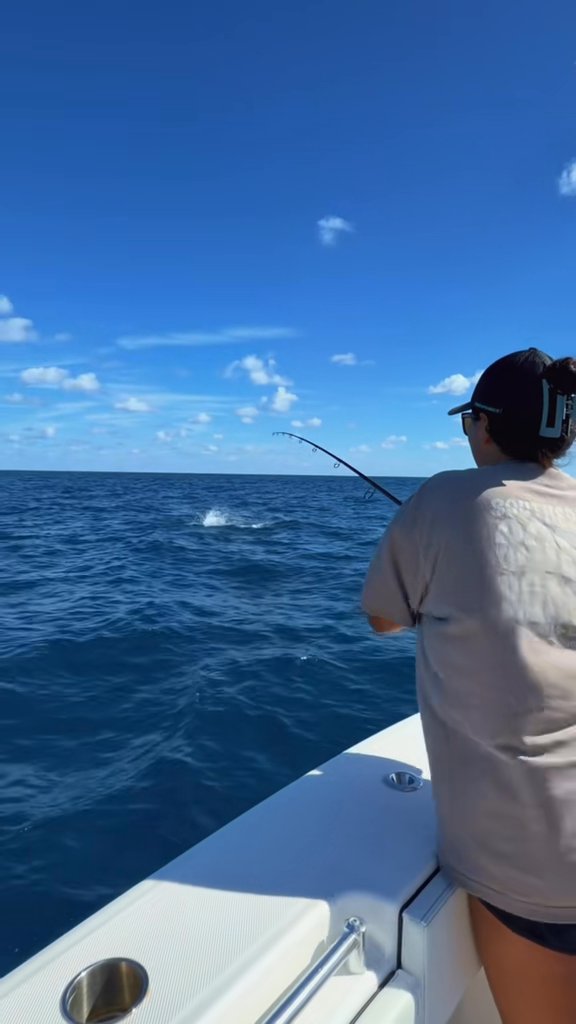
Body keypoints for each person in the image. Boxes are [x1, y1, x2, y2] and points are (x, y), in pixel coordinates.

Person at [361, 348, 576, 1024]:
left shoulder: (441, 498)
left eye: (467, 422)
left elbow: (383, 619)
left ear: (482, 426)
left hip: (536, 860)